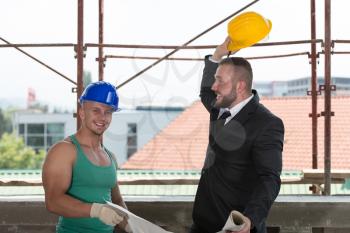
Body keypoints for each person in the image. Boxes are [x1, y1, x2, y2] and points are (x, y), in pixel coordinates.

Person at [190, 37, 284, 233]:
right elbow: (206, 92)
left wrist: (250, 218)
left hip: (234, 228)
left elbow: (269, 178)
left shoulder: (267, 123)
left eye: (219, 81)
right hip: (202, 224)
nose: (214, 87)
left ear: (239, 86)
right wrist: (217, 55)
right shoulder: (220, 108)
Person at [42, 81, 131, 233]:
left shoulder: (110, 157)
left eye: (108, 111)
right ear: (82, 112)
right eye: (96, 110)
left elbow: (117, 202)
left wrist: (134, 228)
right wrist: (97, 210)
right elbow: (53, 202)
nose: (102, 117)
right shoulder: (64, 151)